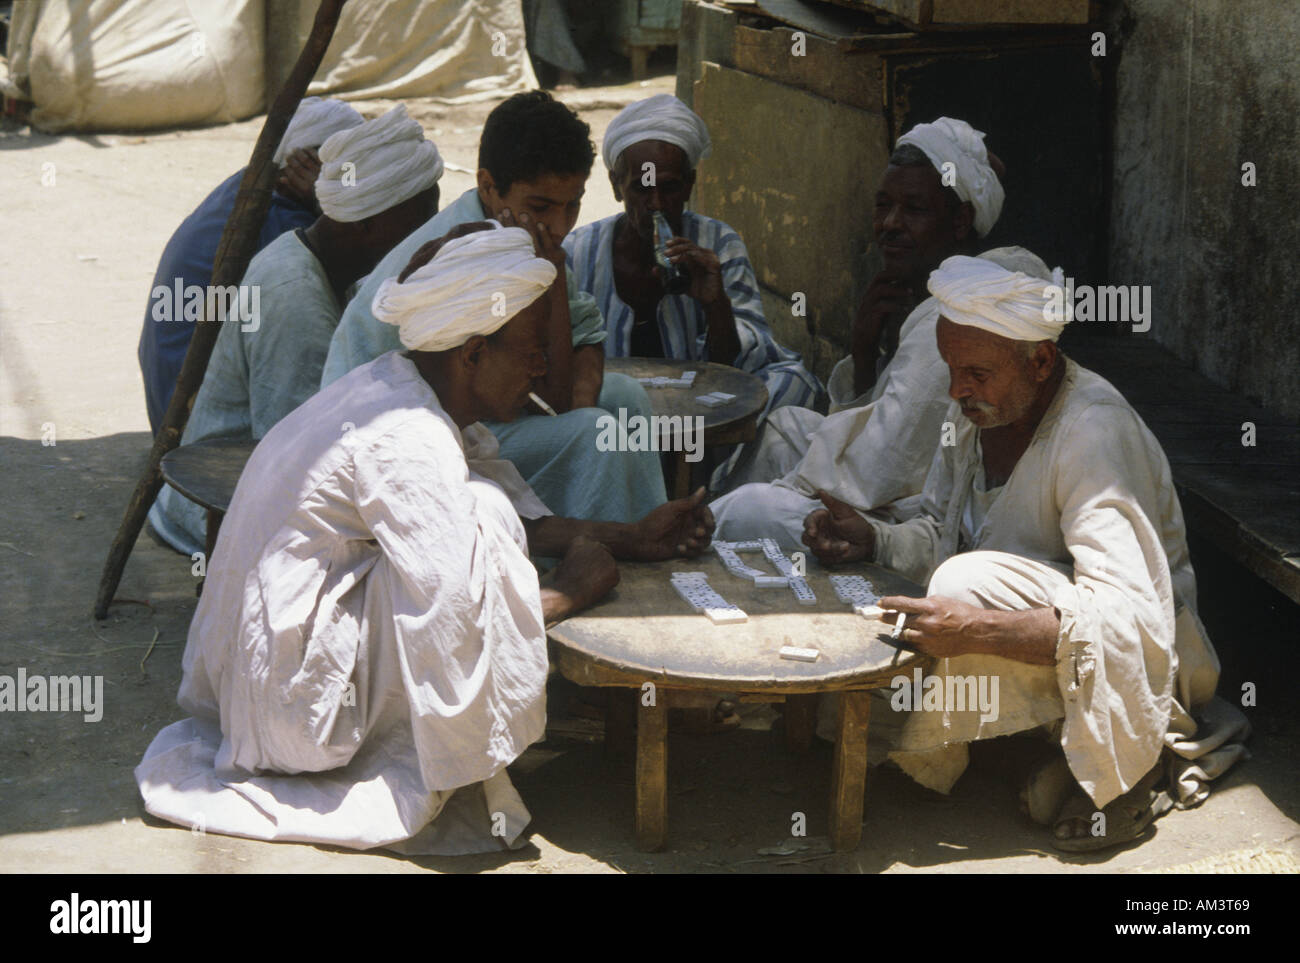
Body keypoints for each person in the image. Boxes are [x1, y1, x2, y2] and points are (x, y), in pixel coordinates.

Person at [135, 226, 716, 854]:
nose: (542, 366)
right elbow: (454, 611)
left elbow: (511, 524)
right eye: (528, 351)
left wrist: (633, 537)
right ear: (471, 354)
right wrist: (569, 595)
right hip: (292, 716)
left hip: (258, 687)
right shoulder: (404, 436)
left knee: (485, 512)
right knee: (483, 525)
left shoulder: (393, 386)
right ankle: (424, 762)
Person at [802, 255, 1249, 852]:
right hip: (1027, 627)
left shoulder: (1095, 431)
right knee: (906, 622)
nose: (958, 389)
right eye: (951, 370)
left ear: (1039, 362)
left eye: (977, 373)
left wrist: (975, 628)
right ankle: (1029, 752)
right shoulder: (976, 411)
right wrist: (873, 538)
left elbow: (1131, 619)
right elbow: (940, 531)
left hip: (1140, 659)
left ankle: (1127, 775)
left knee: (961, 585)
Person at [321, 91, 665, 525]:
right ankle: (605, 554)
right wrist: (553, 273)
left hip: (469, 410)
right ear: (487, 186)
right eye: (541, 206)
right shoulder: (475, 250)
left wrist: (581, 393)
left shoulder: (525, 234)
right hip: (390, 438)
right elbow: (554, 396)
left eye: (573, 203)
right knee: (593, 436)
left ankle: (652, 537)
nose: (560, 225)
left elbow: (583, 336)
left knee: (625, 398)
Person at [148, 104, 444, 557]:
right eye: (418, 222)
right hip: (218, 504)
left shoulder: (306, 250)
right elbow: (303, 463)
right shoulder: (294, 298)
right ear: (366, 222)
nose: (424, 240)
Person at [712, 118, 1007, 546]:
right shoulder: (926, 295)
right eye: (883, 205)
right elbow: (884, 430)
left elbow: (882, 468)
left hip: (913, 529)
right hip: (885, 486)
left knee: (751, 507)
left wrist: (792, 487)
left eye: (914, 209)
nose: (889, 223)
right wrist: (865, 356)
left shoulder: (956, 316)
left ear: (960, 221)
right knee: (783, 426)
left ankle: (691, 535)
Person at [564, 93, 823, 487]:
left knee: (794, 386)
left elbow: (735, 365)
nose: (656, 204)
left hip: (700, 406)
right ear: (617, 187)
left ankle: (715, 490)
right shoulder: (579, 251)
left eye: (668, 188)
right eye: (640, 189)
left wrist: (715, 304)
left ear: (689, 185)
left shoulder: (719, 242)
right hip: (613, 407)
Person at [137, 97, 364, 433]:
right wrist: (326, 204)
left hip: (173, 396)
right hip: (193, 421)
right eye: (350, 170)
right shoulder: (285, 224)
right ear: (305, 164)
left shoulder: (249, 184)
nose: (356, 183)